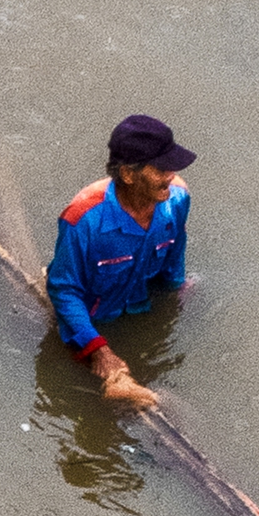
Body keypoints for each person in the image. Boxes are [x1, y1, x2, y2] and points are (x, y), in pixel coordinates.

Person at [46, 115, 194, 408]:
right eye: (161, 168)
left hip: (140, 308)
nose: (170, 176)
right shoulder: (84, 219)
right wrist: (100, 351)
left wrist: (178, 297)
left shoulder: (177, 200)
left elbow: (173, 264)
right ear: (128, 174)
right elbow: (63, 290)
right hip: (92, 321)